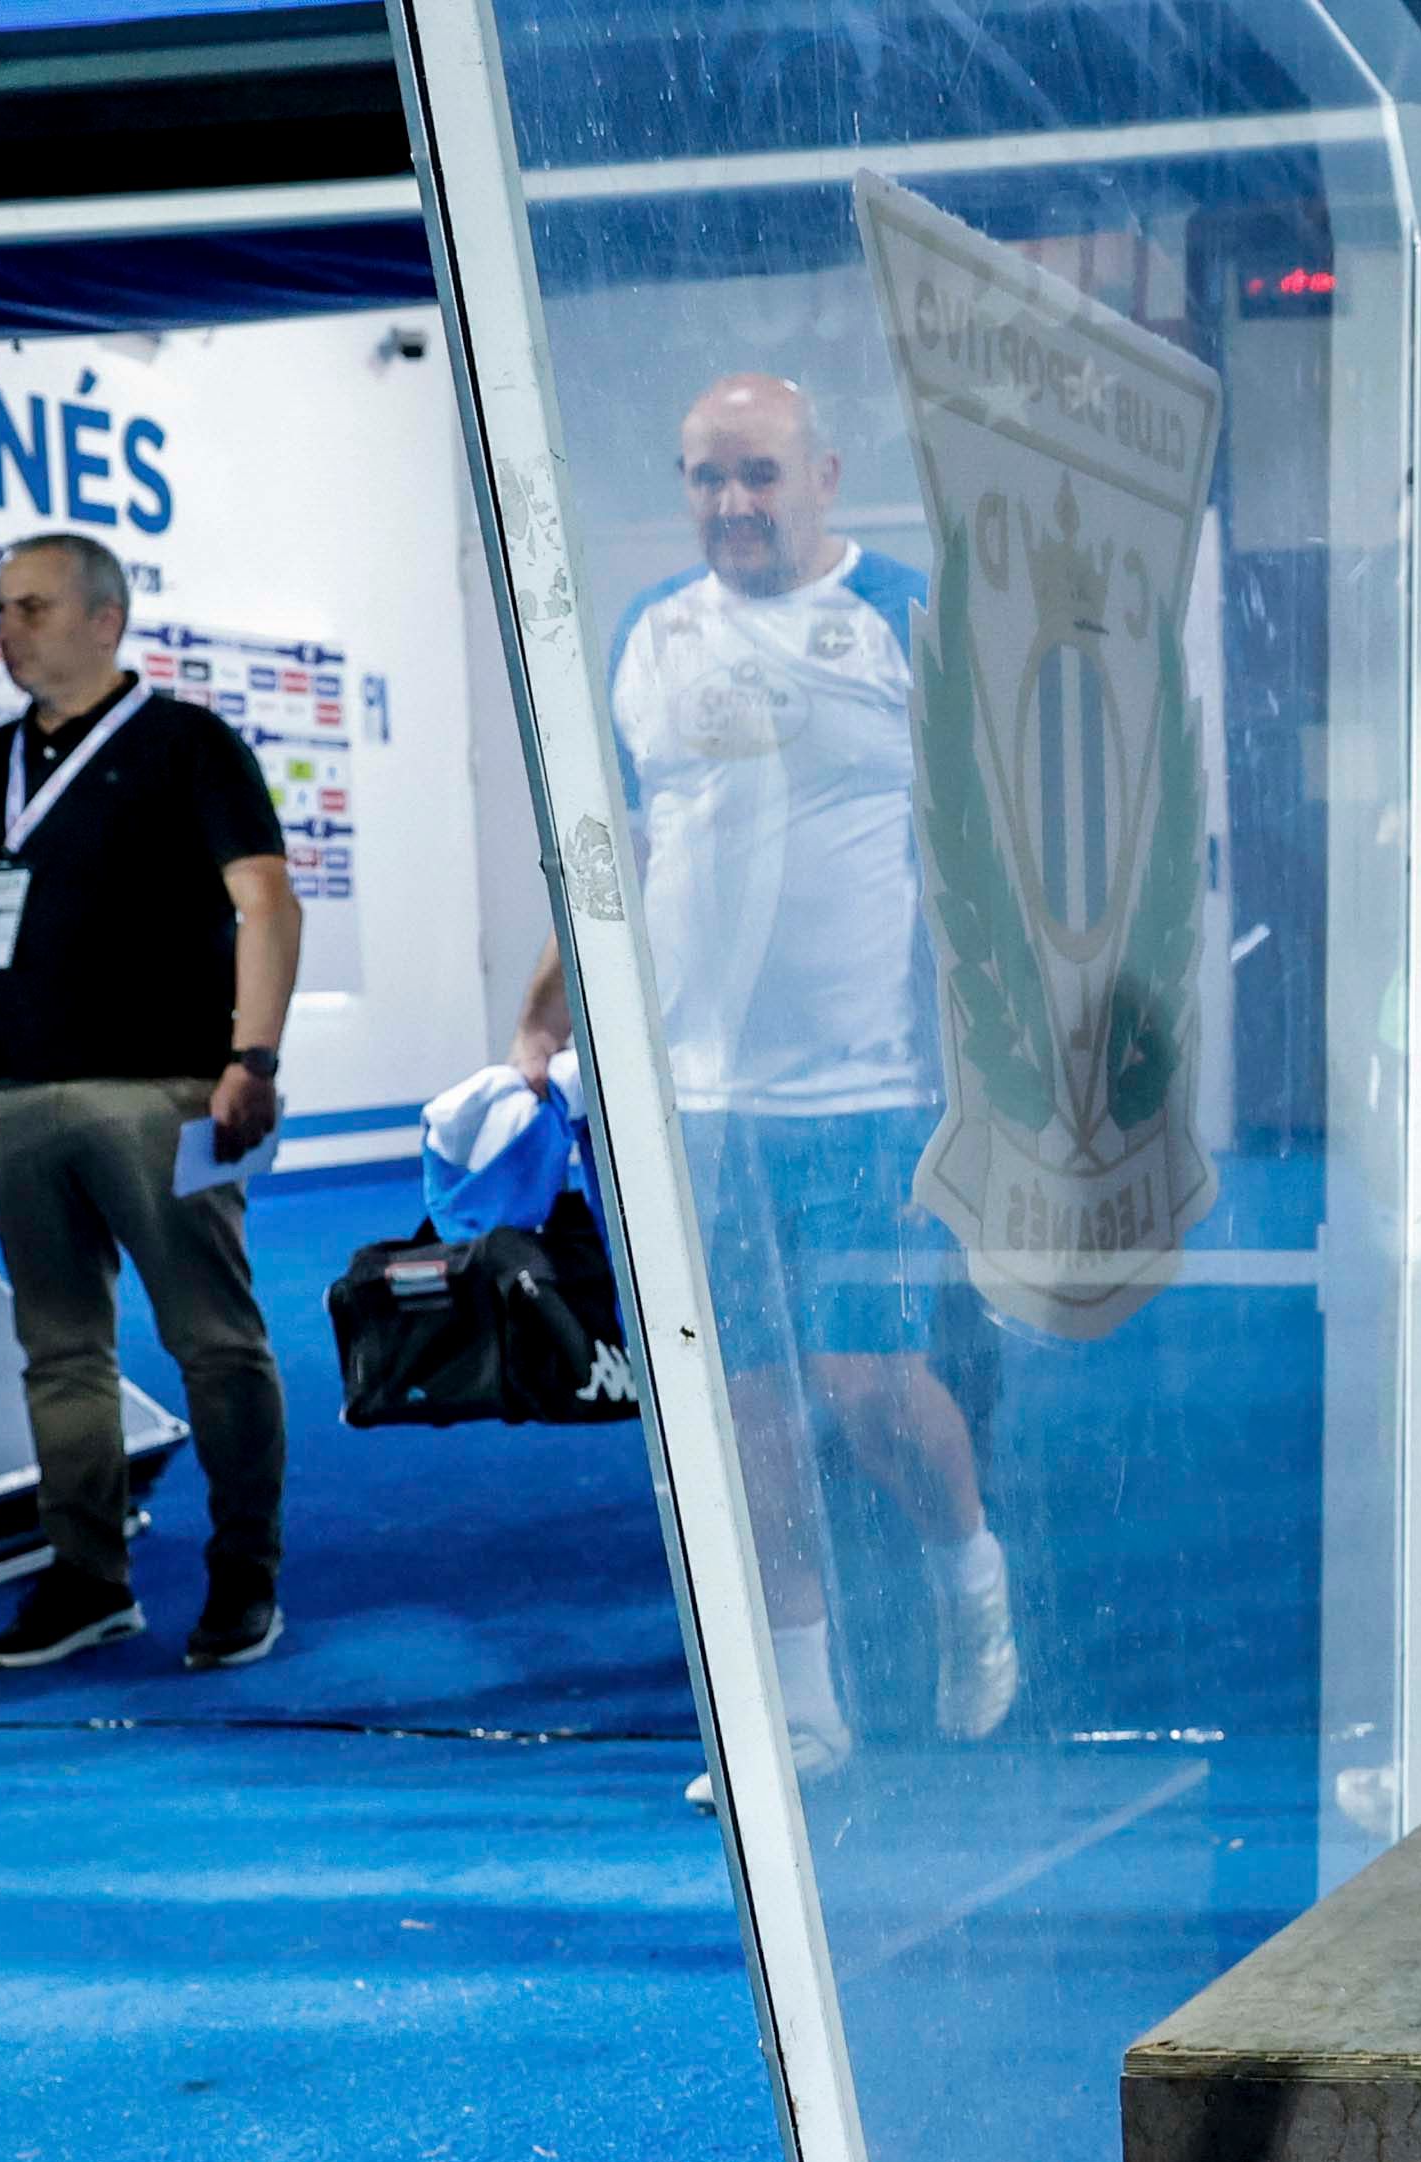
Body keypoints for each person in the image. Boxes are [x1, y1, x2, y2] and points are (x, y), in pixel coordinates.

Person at [515, 370, 1015, 1789]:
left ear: (825, 473)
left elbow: (990, 869)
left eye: (759, 475)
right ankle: (801, 1708)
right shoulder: (646, 634)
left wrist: (1005, 1069)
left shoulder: (911, 620)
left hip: (867, 1096)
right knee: (738, 1406)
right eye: (706, 478)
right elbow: (610, 855)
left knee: (868, 1389)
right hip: (693, 1107)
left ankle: (971, 1574)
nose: (731, 505)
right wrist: (538, 1027)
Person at [0, 531, 297, 1675]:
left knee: (213, 1343)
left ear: (107, 618)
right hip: (10, 1096)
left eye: (33, 607)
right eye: (1, 608)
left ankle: (246, 1575)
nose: (9, 628)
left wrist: (255, 1057)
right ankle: (87, 1575)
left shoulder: (188, 745)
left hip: (159, 1093)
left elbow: (268, 902)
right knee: (59, 1350)